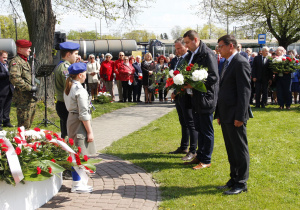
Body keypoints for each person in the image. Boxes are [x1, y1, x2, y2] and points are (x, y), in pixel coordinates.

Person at [215, 34, 251, 195]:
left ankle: (241, 182)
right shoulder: (227, 62)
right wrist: (219, 113)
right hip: (226, 113)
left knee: (239, 148)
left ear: (231, 46)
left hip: (235, 115)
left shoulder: (240, 62)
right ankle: (234, 178)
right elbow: (223, 89)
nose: (218, 49)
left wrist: (240, 116)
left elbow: (244, 92)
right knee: (231, 149)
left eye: (220, 46)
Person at [182, 30, 219, 170]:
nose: (186, 45)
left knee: (206, 130)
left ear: (195, 40)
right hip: (195, 97)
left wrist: (194, 84)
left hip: (206, 98)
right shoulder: (192, 54)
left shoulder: (207, 54)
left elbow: (214, 77)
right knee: (199, 128)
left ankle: (206, 160)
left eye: (187, 42)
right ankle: (200, 155)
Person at [168, 37, 198, 162]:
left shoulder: (190, 58)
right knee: (183, 121)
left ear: (186, 46)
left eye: (179, 48)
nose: (177, 51)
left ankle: (193, 150)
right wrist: (173, 91)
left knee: (190, 123)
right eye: (176, 48)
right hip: (178, 94)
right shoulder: (177, 59)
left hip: (187, 95)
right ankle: (184, 146)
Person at [64, 62, 96, 155]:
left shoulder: (69, 87)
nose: (86, 76)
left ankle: (75, 169)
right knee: (81, 152)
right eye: (85, 73)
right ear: (80, 75)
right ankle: (78, 170)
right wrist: (90, 132)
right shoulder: (79, 90)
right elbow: (83, 113)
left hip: (71, 119)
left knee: (74, 151)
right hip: (79, 122)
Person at [9, 40, 38, 129]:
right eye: (27, 48)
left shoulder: (24, 61)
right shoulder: (16, 62)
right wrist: (29, 88)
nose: (29, 50)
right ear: (20, 49)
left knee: (28, 126)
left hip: (30, 99)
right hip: (23, 99)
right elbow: (15, 79)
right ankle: (21, 142)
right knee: (23, 127)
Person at [54, 42, 80, 138]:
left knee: (66, 131)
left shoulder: (63, 65)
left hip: (64, 102)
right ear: (68, 54)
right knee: (69, 133)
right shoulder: (65, 68)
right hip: (66, 103)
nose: (77, 56)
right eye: (76, 54)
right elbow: (70, 86)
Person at [0, 50, 14, 130]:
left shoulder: (7, 65)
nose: (6, 59)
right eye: (4, 57)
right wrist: (7, 74)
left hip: (9, 88)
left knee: (7, 106)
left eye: (6, 58)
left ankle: (6, 121)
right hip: (1, 89)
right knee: (0, 107)